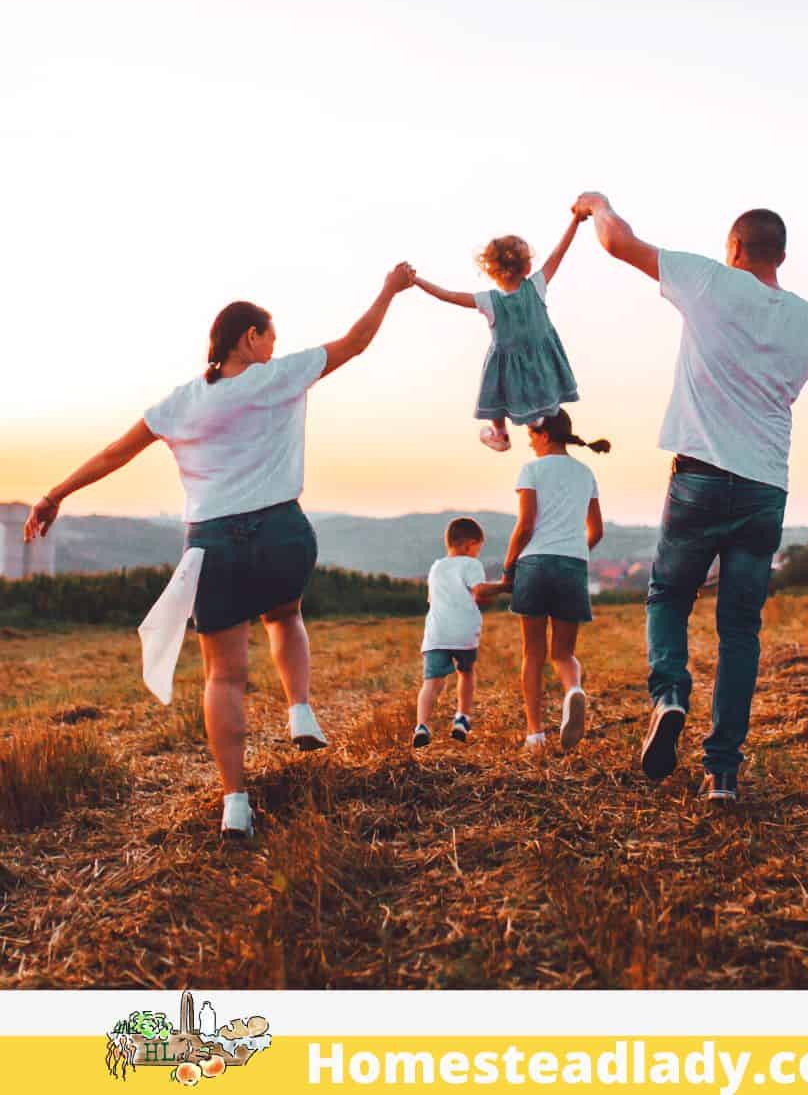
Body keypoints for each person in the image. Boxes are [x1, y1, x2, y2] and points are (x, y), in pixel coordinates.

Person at [23, 261, 416, 840]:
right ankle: (300, 710)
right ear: (250, 337)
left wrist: (55, 495)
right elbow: (356, 342)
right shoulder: (279, 376)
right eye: (270, 337)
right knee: (285, 614)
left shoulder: (180, 402)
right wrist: (390, 289)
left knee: (225, 678)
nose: (274, 347)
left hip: (213, 545)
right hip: (282, 533)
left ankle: (235, 803)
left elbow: (114, 453)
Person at [573, 192, 808, 802]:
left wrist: (597, 204)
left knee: (668, 595)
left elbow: (616, 242)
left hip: (700, 479)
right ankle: (722, 773)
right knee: (740, 630)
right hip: (765, 490)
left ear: (734, 248)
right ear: (781, 256)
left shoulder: (707, 280)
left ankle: (670, 694)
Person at [414, 212, 583, 451]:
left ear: (492, 271)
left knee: (496, 391)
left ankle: (500, 434)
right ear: (527, 267)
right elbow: (559, 252)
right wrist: (575, 221)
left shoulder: (488, 300)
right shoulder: (536, 285)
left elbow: (448, 296)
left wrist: (417, 281)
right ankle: (536, 416)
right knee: (535, 381)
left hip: (508, 366)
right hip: (541, 366)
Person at [499, 406, 609, 753]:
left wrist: (508, 567)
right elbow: (597, 531)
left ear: (544, 435)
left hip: (534, 564)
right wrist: (573, 551)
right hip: (572, 565)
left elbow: (525, 525)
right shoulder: (586, 472)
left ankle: (535, 735)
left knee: (533, 653)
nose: (530, 444)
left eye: (531, 436)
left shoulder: (531, 470)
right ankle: (573, 689)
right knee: (563, 653)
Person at [412, 515, 505, 749]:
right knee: (466, 673)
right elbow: (480, 590)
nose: (477, 553)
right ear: (468, 545)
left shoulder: (436, 567)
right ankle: (462, 718)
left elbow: (432, 599)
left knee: (431, 683)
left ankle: (421, 726)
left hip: (436, 634)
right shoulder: (470, 564)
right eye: (477, 548)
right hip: (463, 632)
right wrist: (505, 586)